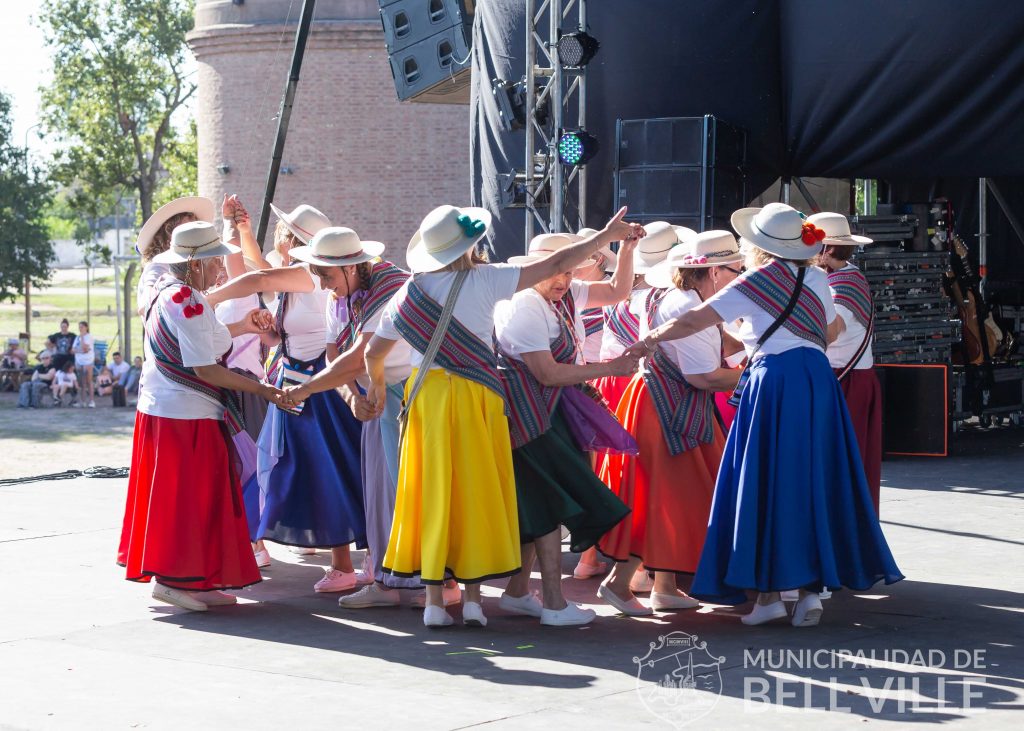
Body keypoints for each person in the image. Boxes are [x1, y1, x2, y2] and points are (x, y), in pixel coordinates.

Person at [365, 204, 644, 628]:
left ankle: (435, 605)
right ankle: (475, 603)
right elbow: (556, 263)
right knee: (477, 493)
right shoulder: (486, 278)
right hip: (478, 398)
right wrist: (604, 237)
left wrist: (376, 386)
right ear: (469, 245)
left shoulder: (409, 292)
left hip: (428, 401)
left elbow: (373, 353)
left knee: (434, 493)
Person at [629, 203, 903, 628]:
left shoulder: (755, 281)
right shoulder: (814, 276)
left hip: (773, 381)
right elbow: (830, 332)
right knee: (814, 478)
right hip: (816, 381)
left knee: (764, 482)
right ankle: (811, 592)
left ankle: (768, 597)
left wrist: (649, 339)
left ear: (757, 245)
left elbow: (695, 319)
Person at [117, 221, 282, 612]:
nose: (221, 268)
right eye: (214, 261)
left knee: (200, 496)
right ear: (195, 264)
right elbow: (206, 369)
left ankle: (198, 576)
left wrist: (242, 326)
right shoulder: (187, 301)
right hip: (184, 416)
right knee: (189, 499)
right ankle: (176, 578)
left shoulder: (175, 295)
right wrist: (264, 390)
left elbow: (201, 339)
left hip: (174, 410)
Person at [206, 204, 369, 593]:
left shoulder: (308, 274)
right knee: (311, 470)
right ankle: (345, 560)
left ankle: (346, 564)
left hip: (316, 387)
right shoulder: (300, 275)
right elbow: (263, 272)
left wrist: (206, 301)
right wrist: (243, 231)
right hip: (296, 383)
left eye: (282, 232)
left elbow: (259, 276)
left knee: (330, 471)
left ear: (292, 239)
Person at [495, 232, 640, 626]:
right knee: (547, 504)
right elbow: (547, 372)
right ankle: (554, 604)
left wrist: (626, 251)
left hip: (551, 411)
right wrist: (611, 368)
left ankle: (518, 592)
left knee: (542, 504)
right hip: (528, 415)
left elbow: (616, 290)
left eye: (570, 270)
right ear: (534, 269)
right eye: (557, 271)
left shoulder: (566, 291)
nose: (564, 280)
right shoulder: (523, 305)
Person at [597, 232, 745, 616]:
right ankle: (618, 583)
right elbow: (705, 378)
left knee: (666, 496)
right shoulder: (684, 305)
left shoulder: (681, 298)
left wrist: (749, 349)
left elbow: (718, 339)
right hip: (669, 410)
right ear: (713, 272)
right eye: (737, 269)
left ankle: (664, 587)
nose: (742, 275)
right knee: (671, 496)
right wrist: (758, 374)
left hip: (660, 403)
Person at [282, 227, 422, 609]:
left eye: (326, 275)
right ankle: (390, 580)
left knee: (407, 491)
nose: (322, 284)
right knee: (380, 493)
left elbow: (360, 355)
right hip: (377, 402)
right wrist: (350, 396)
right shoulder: (342, 298)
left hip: (410, 400)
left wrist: (307, 389)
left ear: (351, 268)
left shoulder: (391, 290)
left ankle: (423, 582)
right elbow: (334, 357)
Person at [810, 212, 882, 515]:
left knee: (840, 461)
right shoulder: (843, 276)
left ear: (826, 250)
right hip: (847, 378)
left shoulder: (842, 285)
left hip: (846, 380)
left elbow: (831, 332)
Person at [135, 197, 216, 316]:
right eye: (186, 231)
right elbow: (144, 306)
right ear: (168, 236)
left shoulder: (187, 266)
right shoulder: (158, 266)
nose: (194, 236)